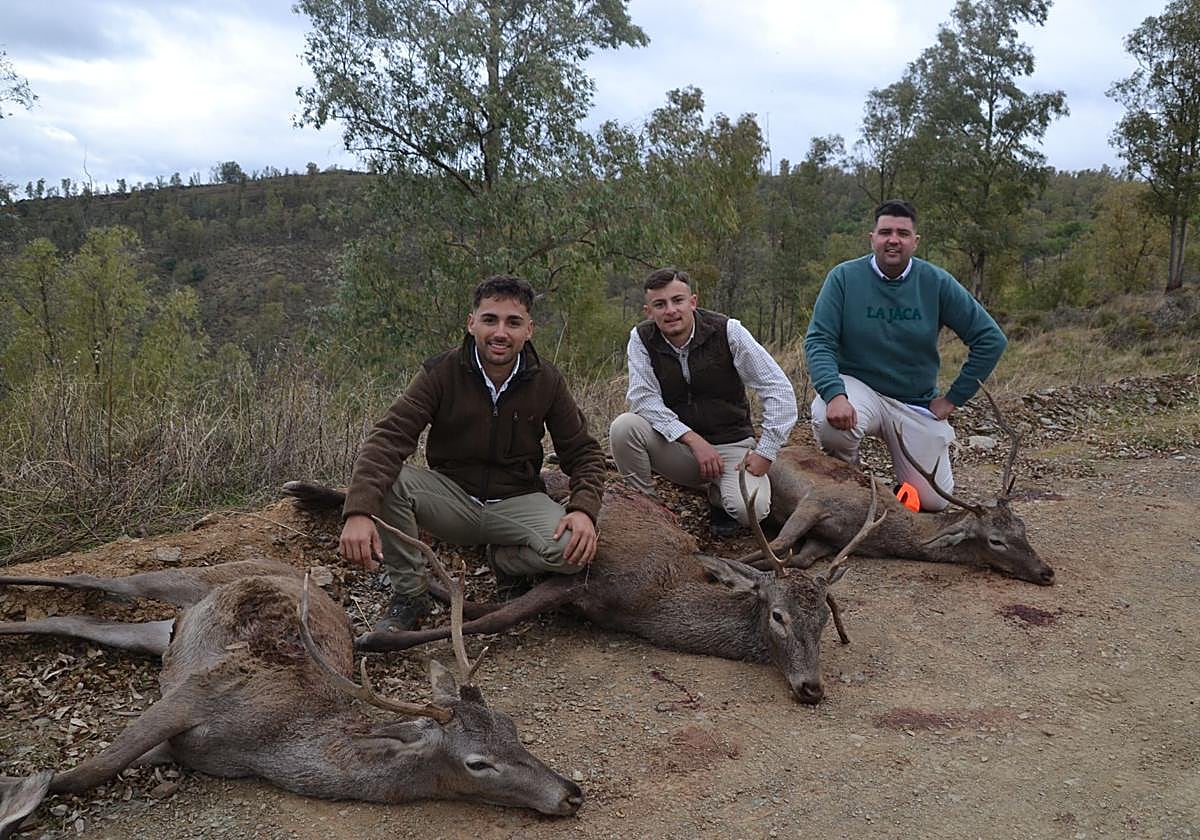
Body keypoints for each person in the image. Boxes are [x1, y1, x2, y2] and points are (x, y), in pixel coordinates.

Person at [339, 275, 606, 632]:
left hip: (517, 499)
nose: (500, 332)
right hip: (453, 498)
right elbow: (389, 438)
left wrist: (583, 509)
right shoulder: (442, 372)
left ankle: (506, 561)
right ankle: (411, 595)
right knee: (393, 481)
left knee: (575, 550)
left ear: (529, 329)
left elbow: (584, 452)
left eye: (513, 323)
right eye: (490, 319)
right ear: (471, 323)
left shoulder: (547, 381)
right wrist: (359, 511)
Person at [804, 199, 1007, 511]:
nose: (893, 239)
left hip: (914, 402)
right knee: (830, 423)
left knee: (934, 501)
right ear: (872, 238)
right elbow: (819, 340)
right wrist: (834, 394)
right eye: (885, 232)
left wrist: (953, 399)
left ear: (915, 241)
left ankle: (902, 489)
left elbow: (990, 339)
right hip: (859, 390)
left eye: (902, 233)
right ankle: (845, 488)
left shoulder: (935, 282)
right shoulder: (844, 278)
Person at [609, 268, 798, 536]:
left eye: (678, 300)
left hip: (732, 446)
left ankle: (718, 495)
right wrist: (692, 439)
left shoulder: (727, 331)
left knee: (751, 511)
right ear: (648, 311)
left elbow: (777, 388)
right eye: (660, 305)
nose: (671, 311)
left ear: (693, 302)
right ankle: (645, 509)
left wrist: (766, 451)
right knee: (624, 427)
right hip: (680, 448)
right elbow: (643, 398)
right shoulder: (641, 339)